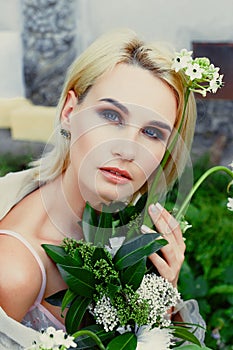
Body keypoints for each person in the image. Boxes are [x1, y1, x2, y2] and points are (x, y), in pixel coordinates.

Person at [0, 28, 205, 347]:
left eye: (152, 133)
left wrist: (161, 294)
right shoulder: (14, 271)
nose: (128, 149)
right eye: (111, 115)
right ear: (70, 112)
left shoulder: (120, 225)